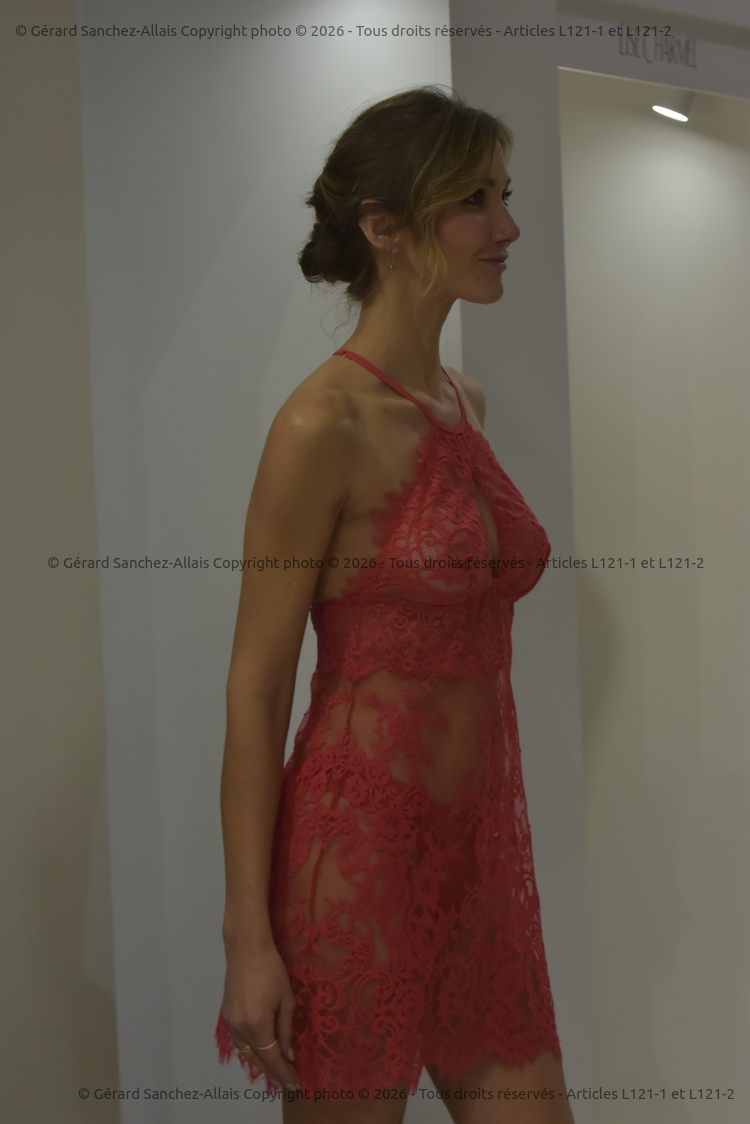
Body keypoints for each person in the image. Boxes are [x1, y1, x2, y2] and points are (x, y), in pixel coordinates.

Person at [214, 85, 576, 1124]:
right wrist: (248, 940)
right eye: (474, 201)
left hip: (483, 857)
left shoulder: (465, 404)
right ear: (384, 227)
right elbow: (256, 692)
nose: (507, 228)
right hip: (357, 859)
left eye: (504, 196)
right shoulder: (320, 424)